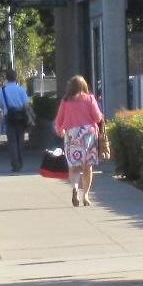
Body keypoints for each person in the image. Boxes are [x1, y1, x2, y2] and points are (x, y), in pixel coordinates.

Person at [55, 75, 106, 207]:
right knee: (88, 167)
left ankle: (75, 188)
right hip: (88, 135)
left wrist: (60, 130)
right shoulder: (89, 99)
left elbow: (59, 120)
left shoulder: (66, 101)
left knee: (74, 166)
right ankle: (86, 196)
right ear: (84, 86)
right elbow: (97, 117)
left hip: (71, 136)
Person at [0, 69, 33, 172]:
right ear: (16, 77)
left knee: (12, 141)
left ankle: (15, 163)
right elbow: (26, 105)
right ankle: (20, 161)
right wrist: (30, 117)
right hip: (21, 117)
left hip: (9, 117)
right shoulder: (21, 90)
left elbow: (0, 104)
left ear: (6, 78)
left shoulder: (2, 91)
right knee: (20, 140)